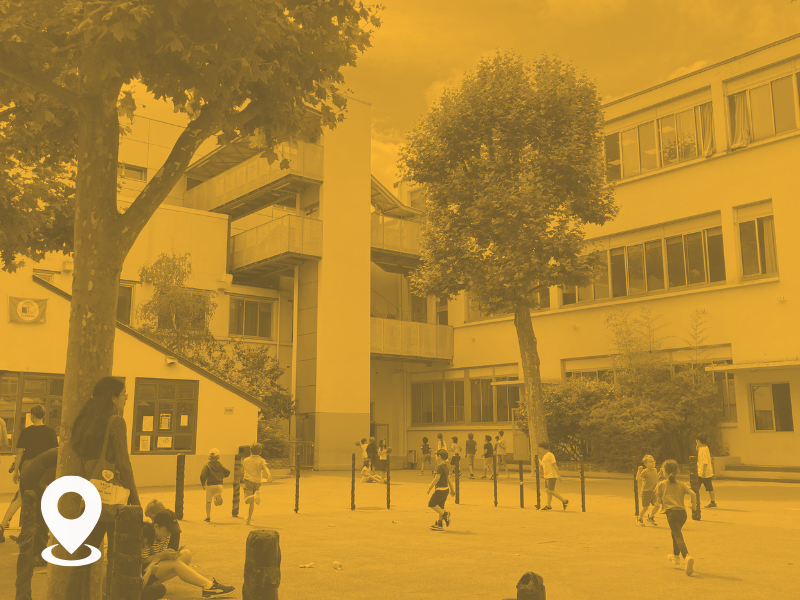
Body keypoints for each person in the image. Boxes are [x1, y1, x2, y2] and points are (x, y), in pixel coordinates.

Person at [67, 377, 139, 598]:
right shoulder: (116, 422)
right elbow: (123, 464)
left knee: (82, 555)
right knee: (117, 557)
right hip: (113, 499)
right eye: (124, 393)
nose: (126, 397)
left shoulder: (84, 423)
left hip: (91, 495)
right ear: (113, 397)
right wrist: (135, 500)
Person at [142, 510, 236, 597]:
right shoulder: (147, 535)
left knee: (186, 554)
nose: (169, 534)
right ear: (156, 526)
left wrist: (171, 554)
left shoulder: (165, 535)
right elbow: (142, 561)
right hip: (144, 571)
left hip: (155, 566)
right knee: (175, 564)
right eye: (167, 531)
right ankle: (208, 586)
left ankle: (153, 585)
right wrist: (162, 555)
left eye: (170, 531)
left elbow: (161, 555)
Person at [655, 459, 698, 576]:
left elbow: (657, 501)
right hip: (683, 514)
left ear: (665, 472)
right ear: (677, 471)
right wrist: (693, 506)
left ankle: (686, 556)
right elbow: (693, 494)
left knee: (678, 535)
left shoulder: (661, 484)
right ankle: (675, 556)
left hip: (671, 514)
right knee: (675, 533)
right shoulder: (682, 484)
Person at [17, 446, 58, 565]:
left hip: (30, 478)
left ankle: (34, 552)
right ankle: (39, 555)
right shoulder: (64, 457)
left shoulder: (60, 453)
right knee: (40, 517)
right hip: (33, 481)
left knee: (36, 517)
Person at [242, 442, 272, 525]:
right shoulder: (261, 460)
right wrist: (269, 475)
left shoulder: (245, 460)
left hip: (248, 481)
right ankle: (248, 519)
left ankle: (255, 496)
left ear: (250, 451)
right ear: (260, 452)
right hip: (257, 483)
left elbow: (242, 470)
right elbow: (265, 467)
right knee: (252, 502)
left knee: (247, 500)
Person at [427, 449, 454, 531]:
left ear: (439, 457)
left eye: (436, 456)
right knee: (440, 507)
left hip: (440, 490)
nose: (435, 457)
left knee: (431, 504)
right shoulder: (445, 466)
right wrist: (452, 489)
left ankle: (445, 514)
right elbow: (448, 479)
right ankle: (439, 524)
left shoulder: (439, 467)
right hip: (445, 490)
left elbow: (436, 478)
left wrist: (430, 487)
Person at [200, 448, 230, 522]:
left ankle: (208, 516)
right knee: (218, 492)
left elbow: (203, 475)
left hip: (210, 485)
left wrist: (203, 484)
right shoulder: (220, 465)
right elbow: (228, 471)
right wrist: (223, 476)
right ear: (218, 457)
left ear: (209, 457)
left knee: (208, 501)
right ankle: (217, 496)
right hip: (219, 485)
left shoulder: (207, 466)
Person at [538, 441, 568, 511]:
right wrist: (538, 460)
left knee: (551, 490)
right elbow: (542, 465)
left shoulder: (550, 455)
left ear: (542, 448)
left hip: (552, 475)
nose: (539, 450)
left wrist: (558, 475)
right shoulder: (544, 456)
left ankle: (564, 501)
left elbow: (554, 465)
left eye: (539, 448)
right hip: (547, 476)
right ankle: (548, 505)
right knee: (547, 491)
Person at [636, 454, 663, 526]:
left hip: (653, 492)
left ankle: (650, 517)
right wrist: (638, 471)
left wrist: (660, 473)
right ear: (645, 464)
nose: (653, 463)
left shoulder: (655, 470)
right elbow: (638, 479)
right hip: (646, 492)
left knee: (657, 505)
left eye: (653, 461)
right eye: (650, 462)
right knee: (645, 507)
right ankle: (639, 519)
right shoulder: (645, 471)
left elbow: (656, 478)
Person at [696, 435, 717, 508]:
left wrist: (703, 472)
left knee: (695, 487)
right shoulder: (705, 448)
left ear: (698, 440)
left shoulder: (703, 450)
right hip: (705, 472)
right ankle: (713, 502)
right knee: (709, 487)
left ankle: (696, 502)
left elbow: (705, 462)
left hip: (702, 472)